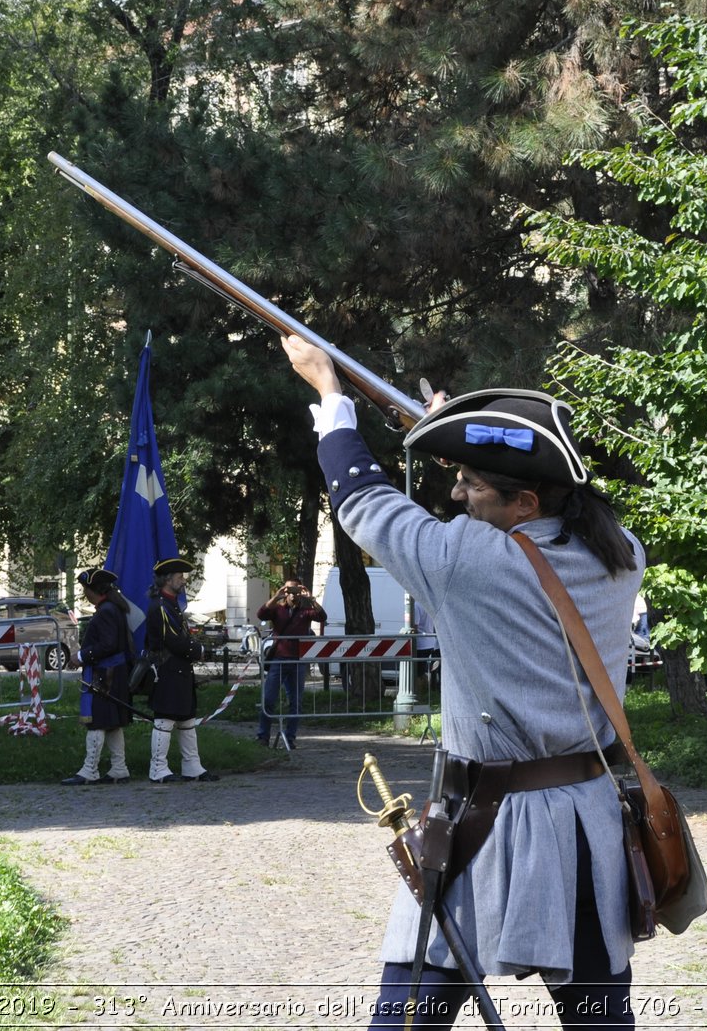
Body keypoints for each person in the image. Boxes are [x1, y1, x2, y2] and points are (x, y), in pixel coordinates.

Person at [279, 335, 646, 1029]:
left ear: (524, 503)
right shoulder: (621, 552)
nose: (455, 493)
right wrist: (463, 442)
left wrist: (332, 399)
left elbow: (361, 501)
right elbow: (543, 500)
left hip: (485, 819)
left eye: (471, 485)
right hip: (589, 817)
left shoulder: (469, 561)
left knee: (405, 1020)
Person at [144, 556, 219, 783]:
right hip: (167, 669)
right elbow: (173, 641)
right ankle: (157, 768)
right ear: (167, 579)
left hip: (180, 669)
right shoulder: (160, 606)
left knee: (186, 720)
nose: (183, 581)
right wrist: (199, 650)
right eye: (179, 577)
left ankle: (191, 766)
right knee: (165, 720)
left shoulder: (170, 604)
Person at [62, 567, 135, 786]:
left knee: (98, 722)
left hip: (106, 674)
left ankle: (89, 770)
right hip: (113, 673)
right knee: (113, 722)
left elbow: (108, 644)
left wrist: (81, 656)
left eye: (85, 588)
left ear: (93, 591)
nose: (84, 592)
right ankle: (119, 768)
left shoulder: (106, 611)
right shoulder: (112, 608)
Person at [254, 576, 326, 748]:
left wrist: (311, 599)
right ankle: (263, 737)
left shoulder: (305, 611)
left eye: (296, 591)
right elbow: (261, 613)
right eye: (289, 591)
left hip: (297, 662)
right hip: (279, 659)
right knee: (269, 699)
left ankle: (290, 737)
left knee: (296, 702)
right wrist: (277, 596)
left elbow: (322, 616)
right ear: (285, 592)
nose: (293, 594)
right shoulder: (278, 610)